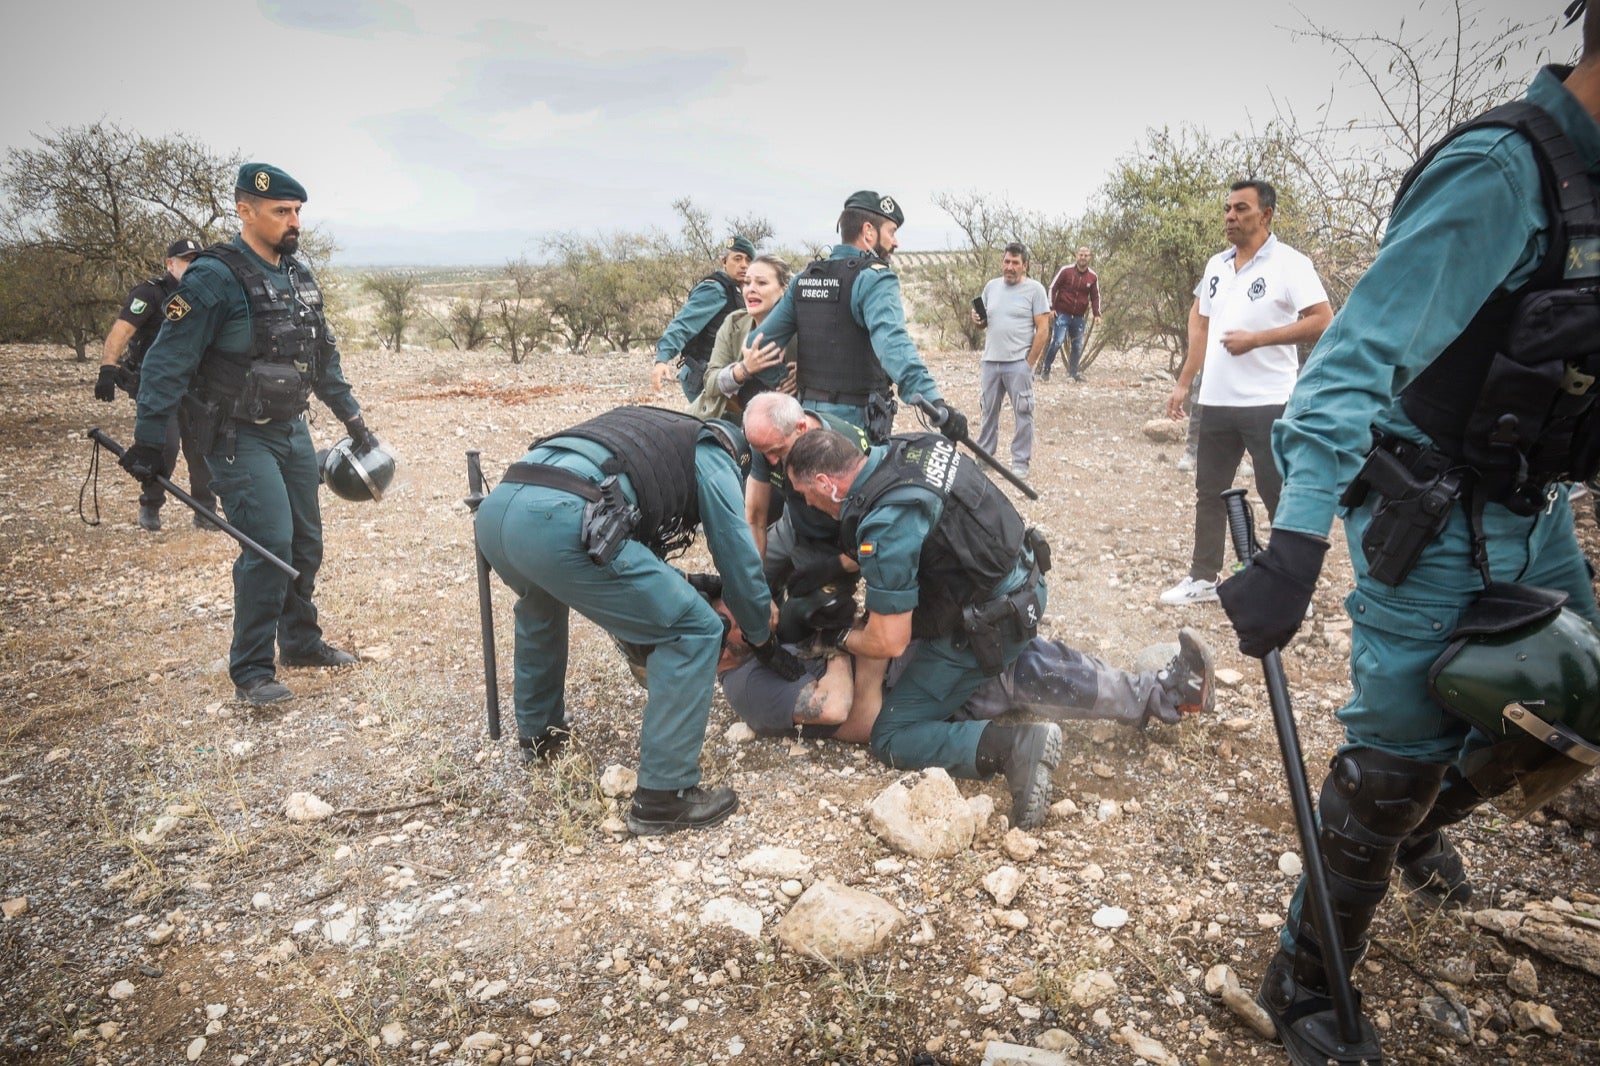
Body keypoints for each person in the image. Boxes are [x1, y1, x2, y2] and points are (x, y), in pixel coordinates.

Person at [1217, 9, 1600, 1063]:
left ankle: (1421, 820)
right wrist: (1292, 549)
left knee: (1571, 703)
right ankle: (1302, 978)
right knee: (1393, 757)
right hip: (1427, 517)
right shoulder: (1502, 173)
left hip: (1537, 510)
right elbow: (1343, 370)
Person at [474, 405, 803, 836]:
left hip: (501, 512)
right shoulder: (715, 449)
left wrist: (693, 582)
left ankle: (540, 738)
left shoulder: (653, 431)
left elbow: (637, 552)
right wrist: (761, 636)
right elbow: (737, 553)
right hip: (560, 518)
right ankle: (664, 796)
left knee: (540, 609)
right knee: (694, 629)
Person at [117, 164, 373, 706]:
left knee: (305, 542)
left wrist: (353, 421)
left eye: (298, 211)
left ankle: (301, 642)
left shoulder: (297, 274)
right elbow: (166, 361)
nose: (293, 221)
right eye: (282, 211)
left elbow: (321, 357)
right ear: (245, 211)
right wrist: (147, 439)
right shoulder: (213, 278)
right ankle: (252, 669)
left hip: (291, 429)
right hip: (235, 436)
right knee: (268, 544)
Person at [783, 427, 1059, 827]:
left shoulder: (885, 524)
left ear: (826, 483)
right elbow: (921, 528)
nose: (806, 502)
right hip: (1023, 577)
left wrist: (837, 636)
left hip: (993, 624)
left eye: (806, 493)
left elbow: (889, 640)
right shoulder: (910, 449)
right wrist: (834, 566)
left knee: (891, 736)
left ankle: (1015, 747)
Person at [1161, 180, 1333, 606]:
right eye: (1227, 209)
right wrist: (1184, 382)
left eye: (1241, 209)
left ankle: (1293, 588)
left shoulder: (1291, 263)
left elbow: (1323, 320)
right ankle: (1203, 579)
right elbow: (1200, 322)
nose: (1230, 217)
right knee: (1210, 491)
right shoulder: (1216, 266)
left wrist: (1258, 339)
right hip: (1217, 400)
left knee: (1277, 492)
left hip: (1268, 400)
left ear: (1266, 215)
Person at [715, 597, 1215, 743]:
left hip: (913, 660)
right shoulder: (749, 688)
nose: (748, 607)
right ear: (719, 653)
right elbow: (847, 713)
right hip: (918, 690)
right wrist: (847, 647)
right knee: (1027, 671)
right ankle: (1168, 694)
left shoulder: (760, 638)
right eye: (730, 613)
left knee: (1027, 647)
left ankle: (1152, 689)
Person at [743, 190, 967, 445]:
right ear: (868, 232)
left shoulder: (804, 280)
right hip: (855, 426)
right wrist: (935, 404)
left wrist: (782, 381)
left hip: (807, 419)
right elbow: (894, 345)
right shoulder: (874, 277)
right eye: (891, 232)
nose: (896, 243)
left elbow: (756, 345)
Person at [95, 237, 216, 531]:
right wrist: (107, 368)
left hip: (195, 385)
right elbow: (122, 330)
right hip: (158, 386)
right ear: (170, 264)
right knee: (164, 446)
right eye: (186, 260)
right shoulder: (150, 293)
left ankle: (206, 510)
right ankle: (151, 504)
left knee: (202, 446)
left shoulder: (204, 295)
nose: (192, 266)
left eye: (196, 261)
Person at [741, 391, 869, 595]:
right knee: (744, 585)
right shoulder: (767, 441)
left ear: (801, 428)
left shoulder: (846, 452)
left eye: (778, 451)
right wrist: (756, 590)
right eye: (764, 452)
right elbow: (755, 517)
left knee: (804, 614)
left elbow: (872, 543)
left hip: (835, 540)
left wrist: (831, 568)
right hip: (793, 522)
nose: (772, 461)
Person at [688, 253, 796, 423]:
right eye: (747, 283)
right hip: (729, 420)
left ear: (784, 288)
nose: (750, 289)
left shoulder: (802, 327)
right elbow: (710, 382)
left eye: (761, 283)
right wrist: (743, 370)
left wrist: (803, 379)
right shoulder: (734, 323)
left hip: (784, 426)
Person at [973, 242, 1050, 480]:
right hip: (991, 361)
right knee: (988, 410)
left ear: (1025, 265)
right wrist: (978, 319)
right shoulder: (991, 287)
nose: (1010, 267)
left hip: (1018, 362)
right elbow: (985, 321)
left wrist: (1029, 363)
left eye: (1015, 263)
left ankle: (1020, 462)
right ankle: (984, 457)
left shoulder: (1035, 290)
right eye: (1007, 262)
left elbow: (1043, 328)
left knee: (1023, 412)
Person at [652, 236, 754, 402]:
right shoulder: (715, 289)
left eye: (749, 260)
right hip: (702, 376)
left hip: (725, 375)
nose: (744, 265)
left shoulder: (743, 291)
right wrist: (662, 359)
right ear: (724, 261)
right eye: (737, 259)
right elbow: (684, 324)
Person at [1041, 246, 1102, 382]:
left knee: (1077, 345)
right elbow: (1053, 287)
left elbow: (1095, 296)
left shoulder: (1092, 277)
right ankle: (1046, 369)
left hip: (1079, 317)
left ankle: (1073, 374)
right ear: (1076, 256)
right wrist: (1051, 307)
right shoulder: (1066, 271)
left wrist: (1097, 314)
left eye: (1086, 255)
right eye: (1081, 255)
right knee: (1057, 341)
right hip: (1062, 313)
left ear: (1090, 258)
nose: (1083, 258)